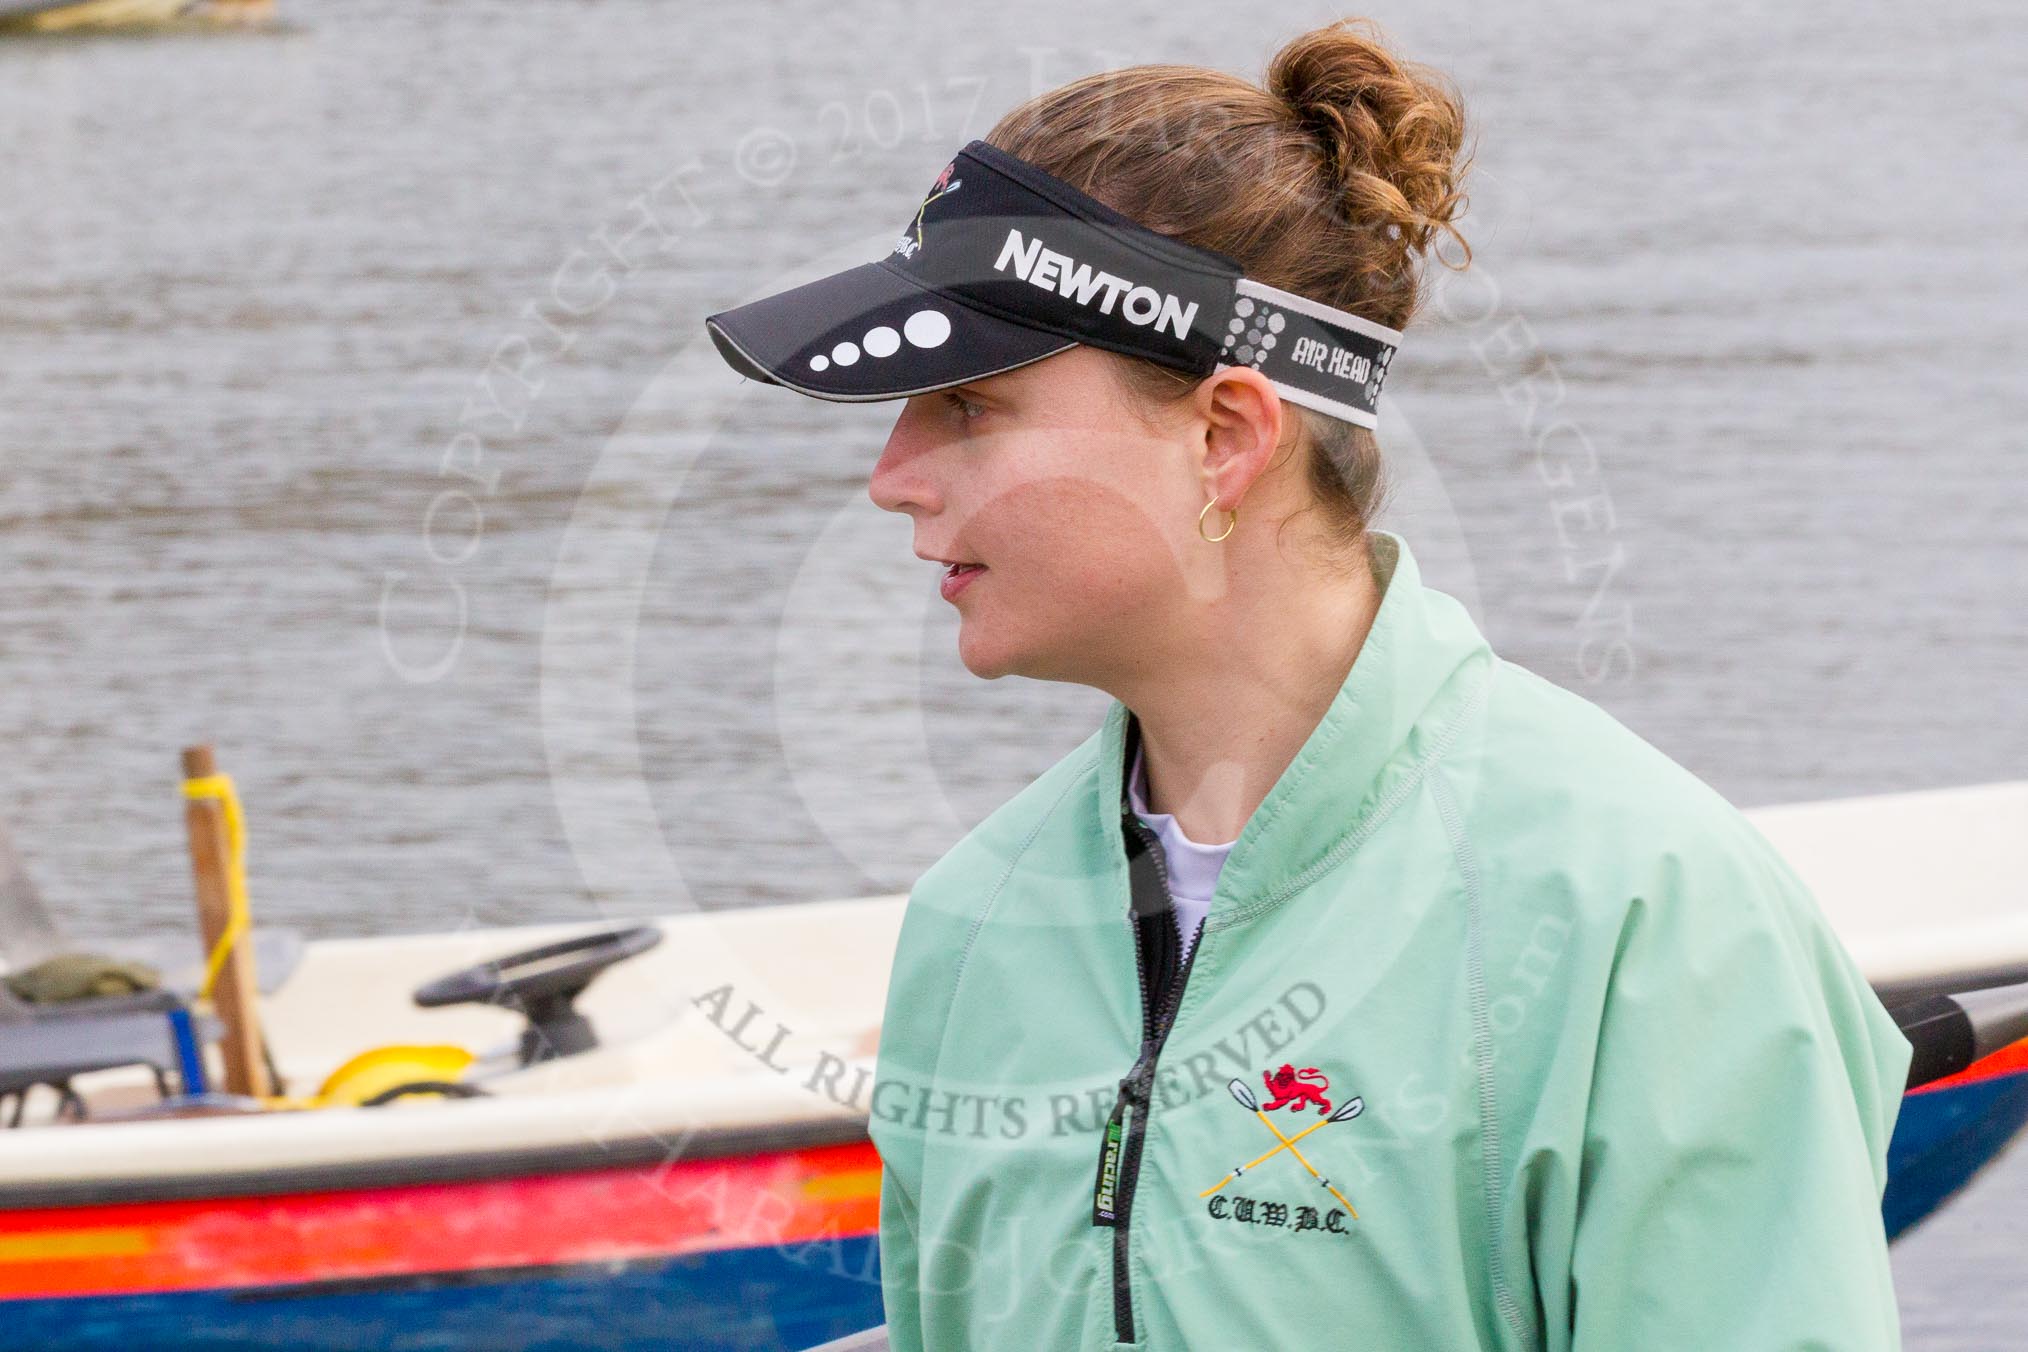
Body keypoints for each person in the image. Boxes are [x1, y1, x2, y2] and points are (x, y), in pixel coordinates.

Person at [704, 19, 1912, 1351]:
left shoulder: (1648, 918)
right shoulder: (969, 931)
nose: (892, 474)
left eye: (972, 405)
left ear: (1225, 435)